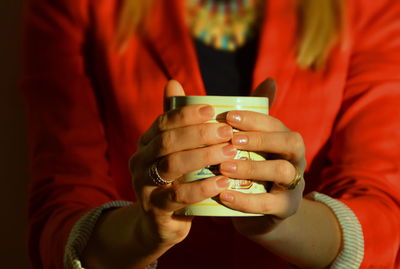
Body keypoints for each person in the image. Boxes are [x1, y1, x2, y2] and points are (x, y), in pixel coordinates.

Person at [22, 0, 400, 268]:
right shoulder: (77, 6)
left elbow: (382, 211)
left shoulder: (366, 6)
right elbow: (59, 207)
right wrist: (140, 233)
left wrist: (285, 222)